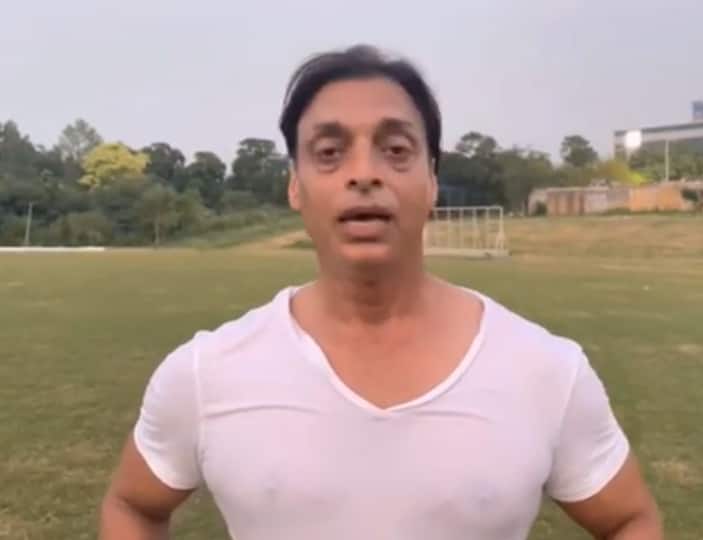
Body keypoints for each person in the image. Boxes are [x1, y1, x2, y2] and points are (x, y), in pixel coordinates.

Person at [99, 45, 663, 539]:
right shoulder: (207, 372)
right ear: (295, 184)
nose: (364, 173)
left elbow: (628, 519)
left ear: (432, 181)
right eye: (329, 152)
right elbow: (133, 505)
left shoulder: (546, 371)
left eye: (395, 150)